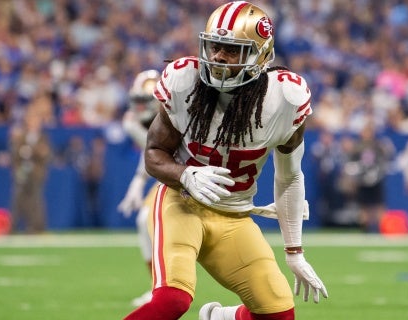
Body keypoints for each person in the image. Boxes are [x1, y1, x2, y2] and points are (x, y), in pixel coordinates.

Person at [123, 2, 328, 320]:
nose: (217, 56)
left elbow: (289, 177)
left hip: (234, 217)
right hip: (182, 203)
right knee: (172, 301)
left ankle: (221, 317)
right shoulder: (184, 81)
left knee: (278, 315)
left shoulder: (286, 99)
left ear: (261, 57)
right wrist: (185, 175)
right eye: (214, 46)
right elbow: (154, 153)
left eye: (231, 50)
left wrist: (295, 251)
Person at [116, 69, 162, 307]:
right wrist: (138, 181)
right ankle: (159, 288)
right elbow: (153, 153)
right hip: (170, 174)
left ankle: (163, 288)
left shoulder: (171, 116)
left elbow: (160, 151)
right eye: (138, 101)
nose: (140, 107)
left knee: (147, 220)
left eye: (145, 101)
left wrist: (139, 181)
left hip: (189, 173)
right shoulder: (135, 122)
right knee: (144, 220)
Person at [344, 120, 395, 232]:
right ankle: (366, 231)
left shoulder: (378, 146)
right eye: (365, 131)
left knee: (379, 206)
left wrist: (376, 174)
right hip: (362, 181)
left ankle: (381, 230)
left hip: (376, 181)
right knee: (364, 208)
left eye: (369, 131)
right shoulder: (357, 147)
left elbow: (384, 162)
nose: (367, 134)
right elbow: (351, 165)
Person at [9, 110, 52, 234]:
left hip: (36, 172)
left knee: (36, 201)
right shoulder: (21, 136)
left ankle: (37, 227)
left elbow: (45, 154)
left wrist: (31, 150)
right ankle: (13, 227)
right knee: (18, 200)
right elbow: (16, 155)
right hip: (22, 171)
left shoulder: (43, 137)